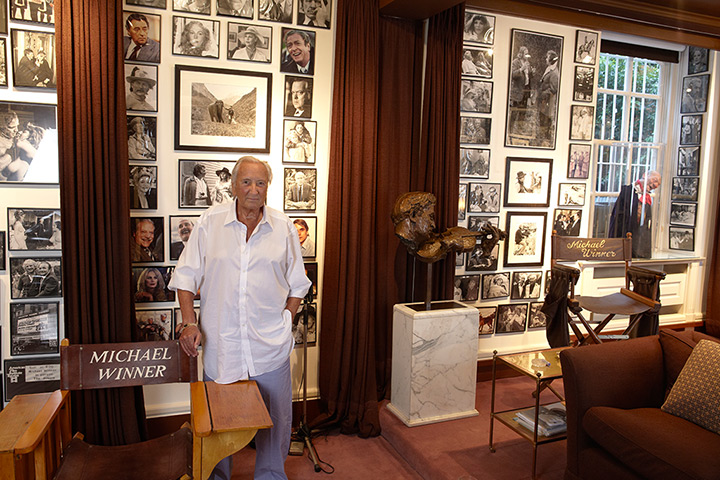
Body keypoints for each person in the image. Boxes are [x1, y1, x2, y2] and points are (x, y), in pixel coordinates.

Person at [169, 156, 311, 480]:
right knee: (219, 428)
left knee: (275, 427)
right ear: (233, 186)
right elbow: (186, 277)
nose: (253, 190)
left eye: (260, 183)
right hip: (224, 348)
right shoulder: (210, 222)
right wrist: (189, 323)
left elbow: (298, 283)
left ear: (268, 188)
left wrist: (287, 318)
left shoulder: (284, 227)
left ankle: (271, 476)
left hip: (270, 347)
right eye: (246, 182)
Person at [609, 170, 661, 258]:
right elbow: (618, 218)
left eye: (658, 184)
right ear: (644, 175)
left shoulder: (647, 198)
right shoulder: (627, 192)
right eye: (655, 180)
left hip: (638, 244)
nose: (655, 185)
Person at [538, 50, 559, 144]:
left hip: (548, 101)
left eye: (547, 57)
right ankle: (542, 137)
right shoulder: (549, 69)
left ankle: (545, 138)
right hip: (544, 100)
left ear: (551, 59)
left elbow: (554, 89)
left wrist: (544, 94)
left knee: (546, 120)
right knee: (542, 119)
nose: (546, 59)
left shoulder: (554, 73)